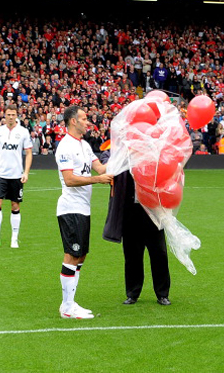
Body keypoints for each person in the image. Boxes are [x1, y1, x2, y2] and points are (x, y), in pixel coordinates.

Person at [55, 105, 113, 319]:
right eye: (84, 118)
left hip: (83, 209)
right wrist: (98, 180)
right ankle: (68, 308)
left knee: (81, 255)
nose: (88, 122)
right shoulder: (65, 147)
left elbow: (101, 169)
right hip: (70, 208)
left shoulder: (85, 146)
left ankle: (69, 303)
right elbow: (70, 180)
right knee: (72, 254)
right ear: (73, 121)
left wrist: (124, 157)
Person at [101, 147, 171, 306]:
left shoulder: (153, 147)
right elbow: (105, 157)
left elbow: (169, 162)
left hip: (153, 211)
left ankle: (162, 294)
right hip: (129, 210)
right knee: (132, 255)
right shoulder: (121, 148)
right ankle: (132, 293)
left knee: (159, 253)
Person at [0, 105, 33, 248]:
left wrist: (26, 172)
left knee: (15, 205)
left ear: (17, 115)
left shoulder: (23, 132)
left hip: (16, 175)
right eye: (8, 114)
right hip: (0, 174)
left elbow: (29, 153)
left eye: (13, 114)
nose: (10, 117)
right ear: (4, 115)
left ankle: (14, 239)